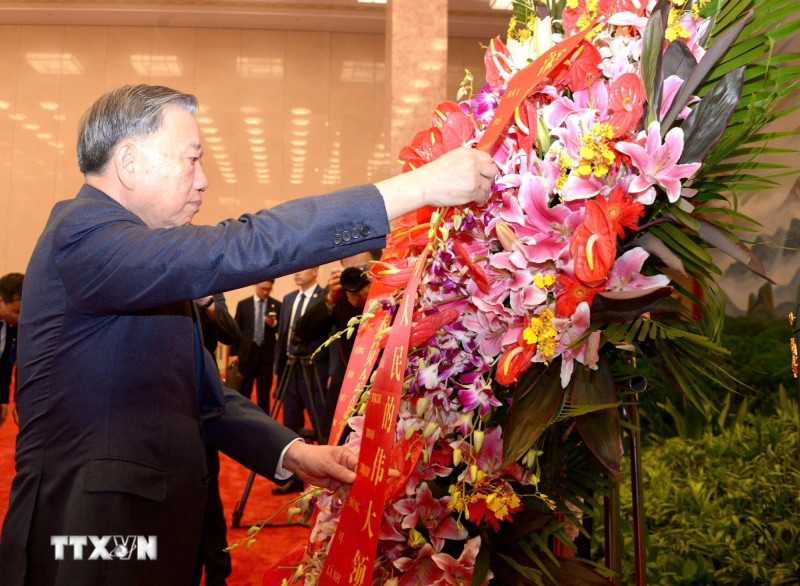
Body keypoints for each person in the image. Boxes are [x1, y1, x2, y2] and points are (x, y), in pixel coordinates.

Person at [0, 84, 496, 586]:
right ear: (129, 162)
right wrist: (417, 188)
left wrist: (295, 453)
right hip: (90, 541)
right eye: (192, 159)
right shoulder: (81, 235)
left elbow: (203, 399)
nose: (203, 181)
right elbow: (239, 244)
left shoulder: (134, 258)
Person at [295, 251, 378, 444]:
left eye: (363, 269)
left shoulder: (395, 289)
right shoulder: (340, 290)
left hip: (382, 387)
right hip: (345, 390)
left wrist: (373, 297)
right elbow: (303, 332)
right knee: (336, 450)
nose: (357, 276)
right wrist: (330, 300)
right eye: (351, 269)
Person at [194, 292, 240, 586]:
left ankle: (217, 573)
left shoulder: (209, 288)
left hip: (203, 404)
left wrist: (207, 303)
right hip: (159, 403)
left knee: (208, 493)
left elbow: (231, 333)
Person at [271, 267, 327, 495]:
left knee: (320, 425)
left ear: (315, 270)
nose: (297, 272)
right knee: (289, 425)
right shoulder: (288, 299)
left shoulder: (324, 297)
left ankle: (324, 478)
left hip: (314, 371)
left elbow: (330, 336)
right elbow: (282, 338)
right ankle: (294, 478)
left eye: (303, 268)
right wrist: (278, 369)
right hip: (290, 369)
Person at [231, 280, 281, 414]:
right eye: (263, 288)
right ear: (255, 285)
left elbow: (281, 330)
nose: (265, 292)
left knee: (264, 392)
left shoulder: (276, 305)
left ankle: (263, 420)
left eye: (268, 289)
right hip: (246, 354)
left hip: (266, 355)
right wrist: (233, 353)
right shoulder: (243, 304)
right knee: (244, 391)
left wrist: (274, 324)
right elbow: (236, 329)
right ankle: (243, 417)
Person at [0, 273, 23, 429]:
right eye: (17, 311)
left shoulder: (13, 326)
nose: (21, 317)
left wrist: (4, 400)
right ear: (1, 301)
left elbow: (7, 365)